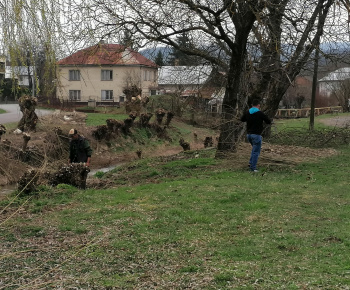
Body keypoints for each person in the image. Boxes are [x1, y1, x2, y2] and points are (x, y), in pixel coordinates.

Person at [240, 99, 271, 172]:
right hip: (256, 135)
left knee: (254, 150)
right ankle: (253, 168)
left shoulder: (247, 112)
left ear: (251, 105)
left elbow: (242, 119)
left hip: (249, 135)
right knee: (256, 151)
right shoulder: (260, 113)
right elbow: (268, 121)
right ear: (258, 105)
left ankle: (251, 163)